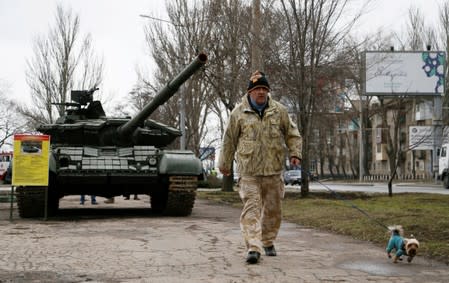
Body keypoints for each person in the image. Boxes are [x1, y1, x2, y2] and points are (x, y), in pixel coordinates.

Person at [218, 70, 302, 264]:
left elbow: (292, 133)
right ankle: (253, 248)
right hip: (249, 172)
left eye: (264, 89)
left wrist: (295, 153)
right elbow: (229, 140)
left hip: (273, 171)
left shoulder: (278, 110)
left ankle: (267, 241)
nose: (261, 92)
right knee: (252, 209)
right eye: (257, 89)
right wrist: (225, 163)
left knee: (273, 210)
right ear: (250, 92)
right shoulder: (238, 113)